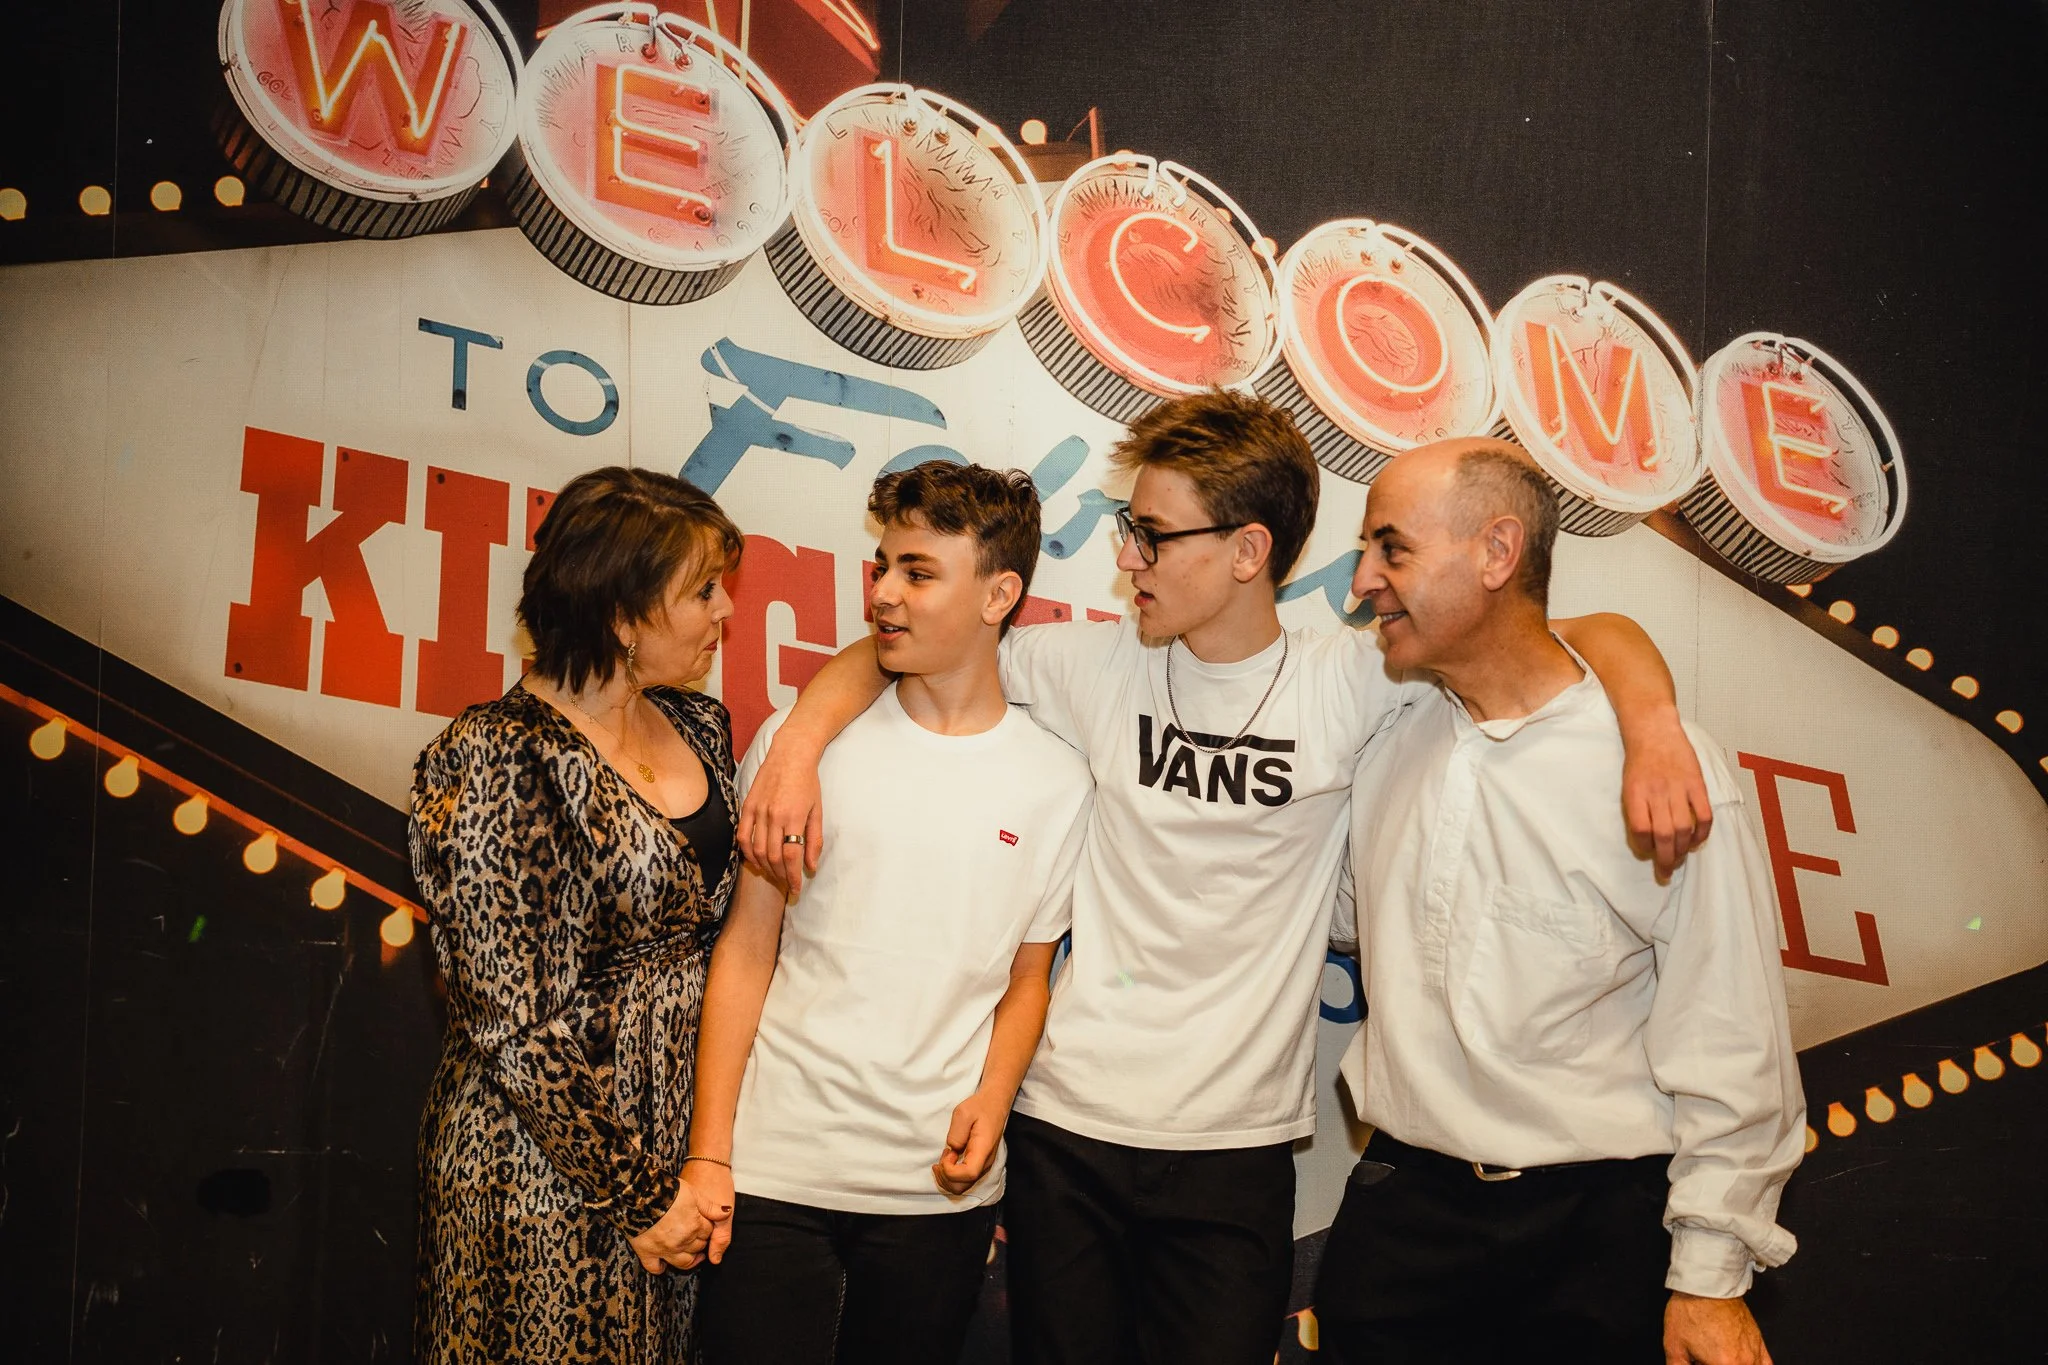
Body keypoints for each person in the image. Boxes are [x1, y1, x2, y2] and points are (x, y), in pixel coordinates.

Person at [737, 391, 1715, 1364]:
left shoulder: (1351, 678)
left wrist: (1653, 723)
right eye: (1128, 528)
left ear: (1247, 551)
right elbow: (914, 642)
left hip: (1237, 1150)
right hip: (1065, 1129)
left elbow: (1571, 633)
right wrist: (797, 749)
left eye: (1152, 536)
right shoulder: (1091, 664)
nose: (1126, 557)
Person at [1316, 439, 1803, 1365]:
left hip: (1597, 1237)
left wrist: (1709, 1278)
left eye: (1392, 547)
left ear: (1497, 552)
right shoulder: (1392, 725)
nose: (1362, 581)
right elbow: (1342, 916)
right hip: (1401, 1219)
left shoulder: (1660, 771)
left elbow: (1732, 1035)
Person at [685, 462, 1095, 1365]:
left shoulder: (1057, 783)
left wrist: (994, 1101)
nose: (882, 593)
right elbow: (746, 949)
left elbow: (1028, 979)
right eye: (882, 567)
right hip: (776, 1168)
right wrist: (709, 1152)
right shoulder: (800, 748)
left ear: (999, 595)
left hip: (933, 1192)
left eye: (918, 572)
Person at [409, 467, 745, 1365]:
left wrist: (690, 1166)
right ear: (623, 616)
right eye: (703, 591)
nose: (725, 611)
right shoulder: (498, 754)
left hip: (674, 1159)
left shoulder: (700, 724)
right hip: (539, 1171)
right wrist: (638, 1197)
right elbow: (513, 1021)